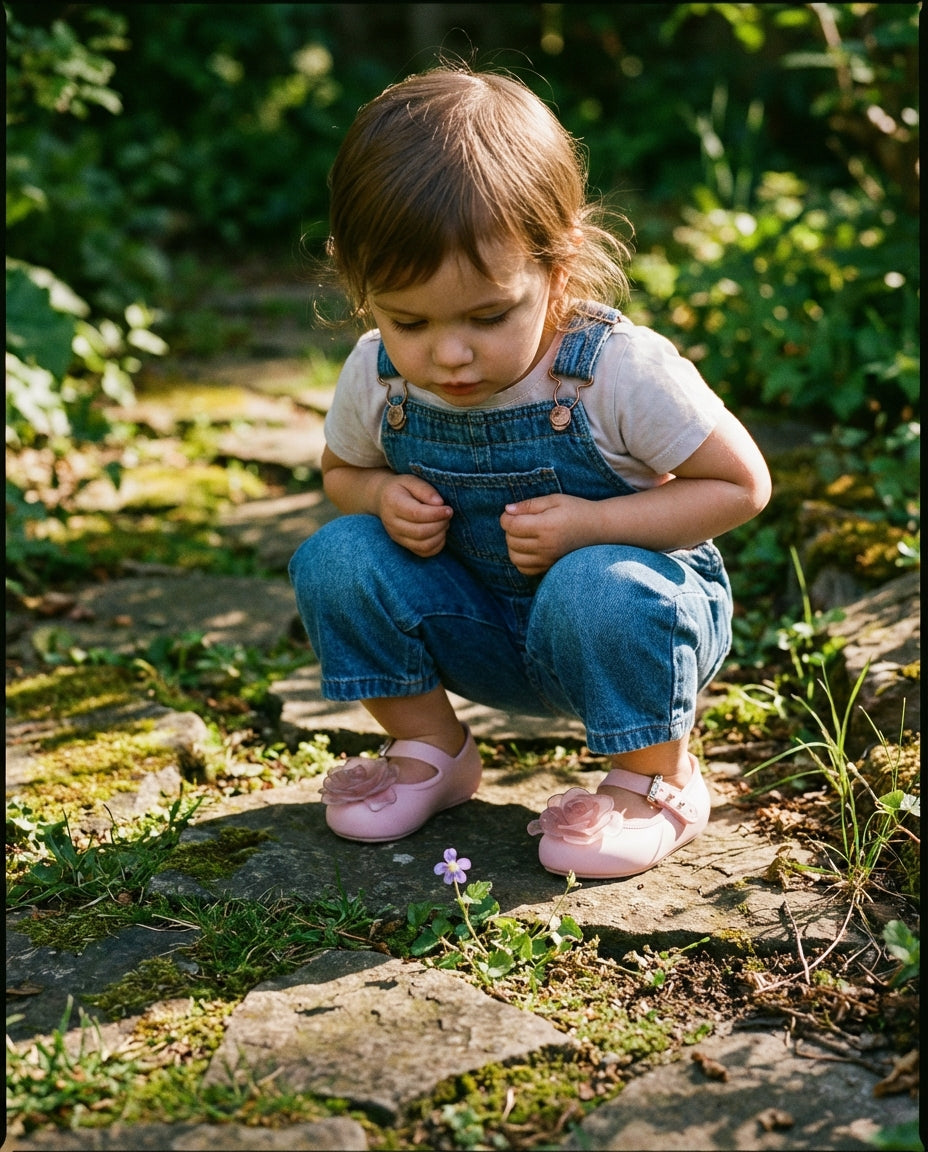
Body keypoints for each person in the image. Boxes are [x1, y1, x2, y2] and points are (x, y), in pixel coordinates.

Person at [289, 64, 771, 879]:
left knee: (598, 583)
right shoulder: (377, 374)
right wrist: (379, 494)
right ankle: (431, 750)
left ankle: (659, 777)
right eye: (409, 319)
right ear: (359, 281)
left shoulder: (613, 370)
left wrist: (594, 524)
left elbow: (741, 485)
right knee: (336, 555)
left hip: (621, 627)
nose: (449, 354)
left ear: (559, 260)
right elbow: (341, 471)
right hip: (476, 625)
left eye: (489, 315)